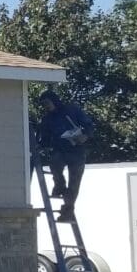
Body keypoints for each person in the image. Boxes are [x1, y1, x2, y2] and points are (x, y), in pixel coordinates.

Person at [36, 89, 96, 222]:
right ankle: (59, 185)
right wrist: (39, 146)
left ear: (54, 100)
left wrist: (85, 136)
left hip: (77, 151)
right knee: (55, 165)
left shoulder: (72, 110)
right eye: (43, 104)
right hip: (60, 150)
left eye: (47, 102)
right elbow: (44, 139)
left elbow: (89, 125)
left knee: (74, 183)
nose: (46, 106)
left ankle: (67, 210)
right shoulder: (47, 119)